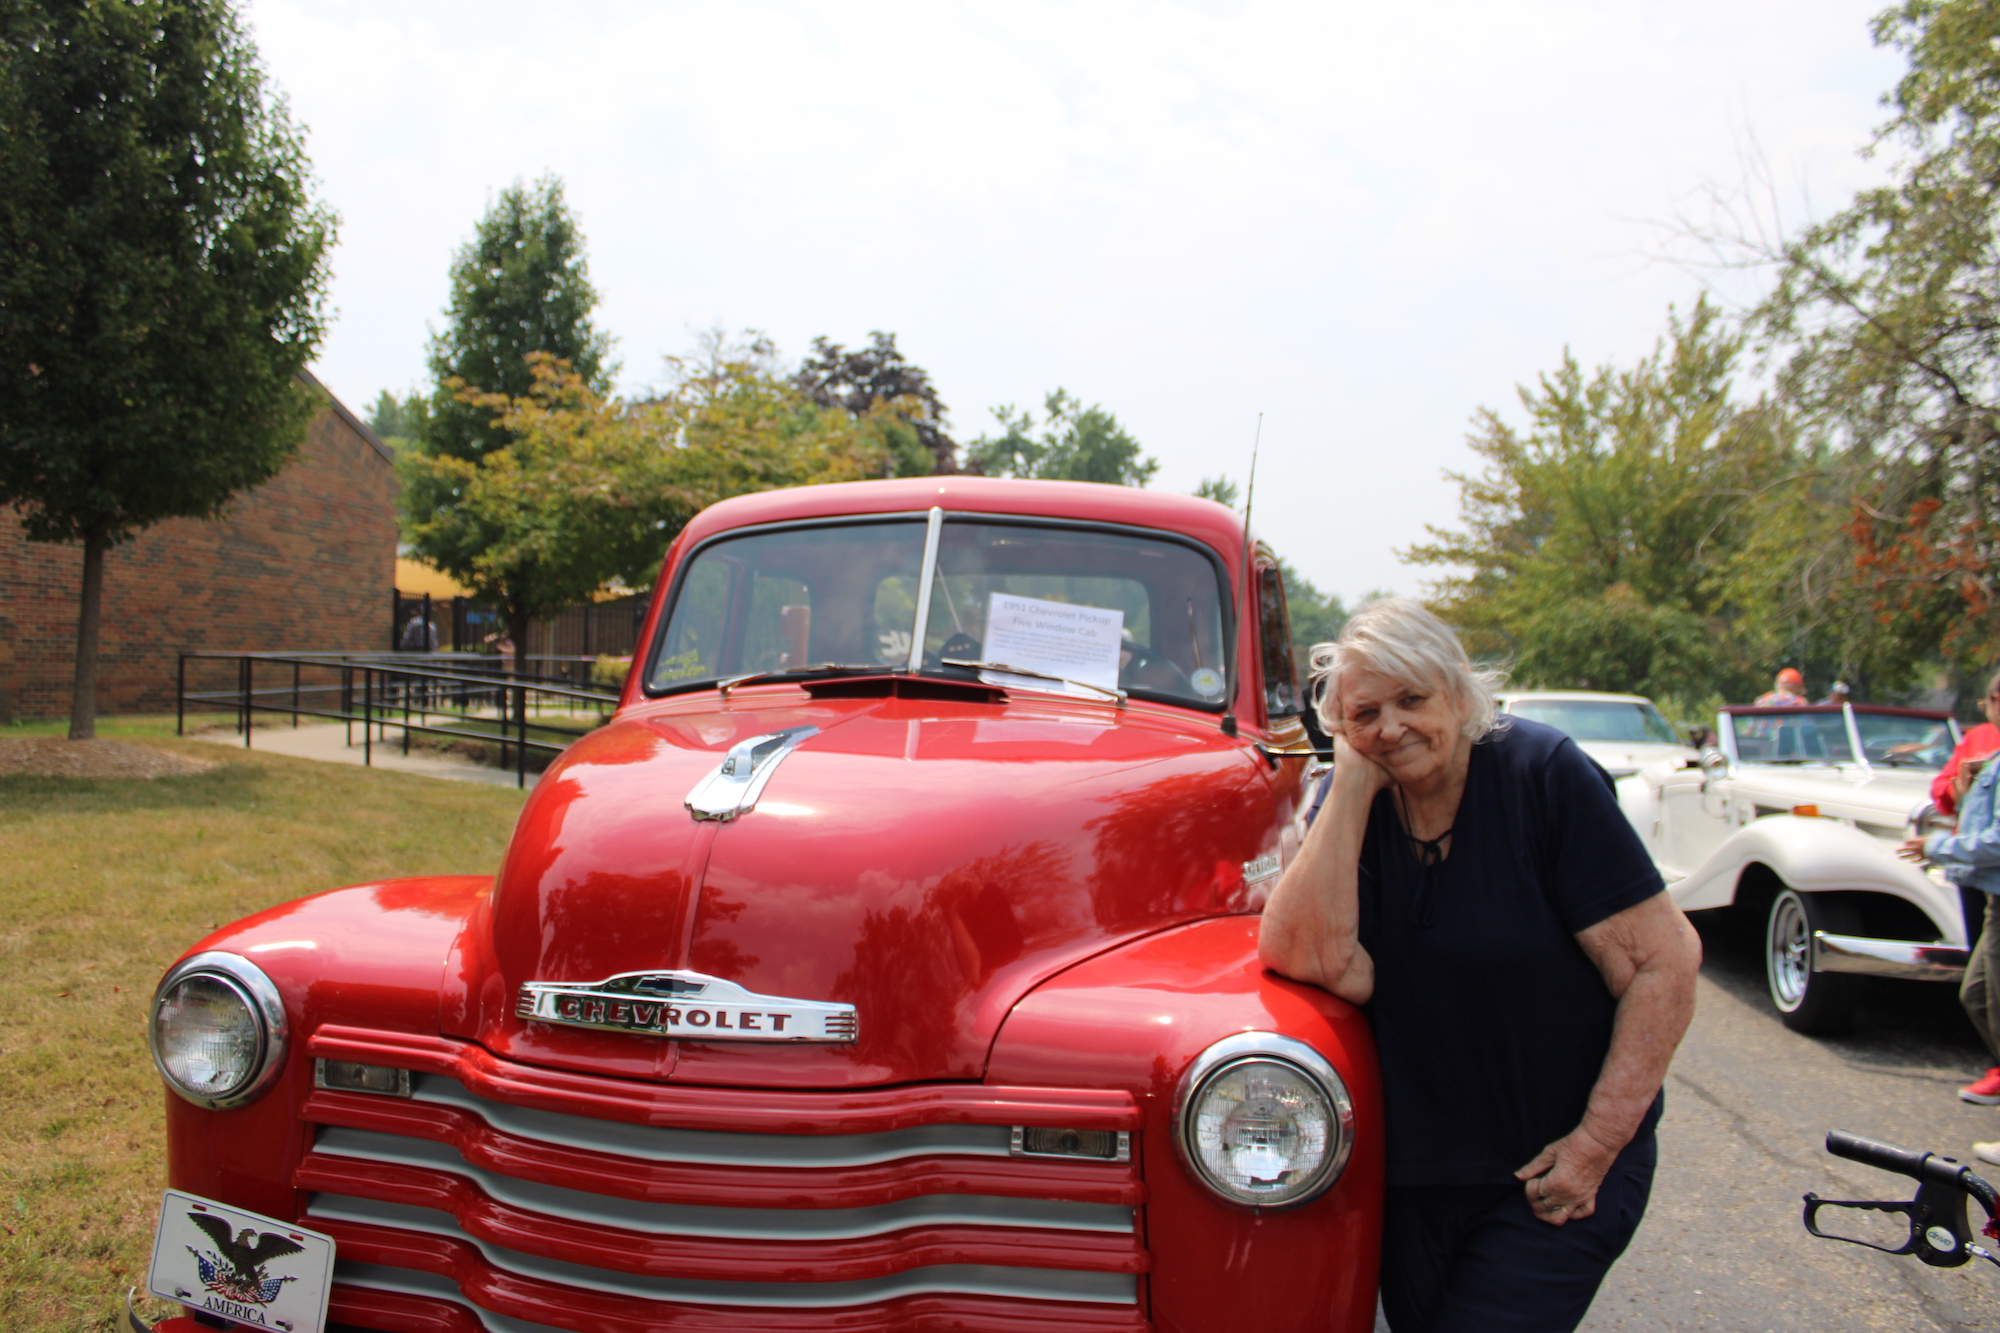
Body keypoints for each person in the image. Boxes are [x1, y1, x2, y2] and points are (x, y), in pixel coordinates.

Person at [1259, 599, 1701, 1333]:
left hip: (1553, 1171)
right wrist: (1353, 788)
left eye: (1412, 699)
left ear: (1460, 693)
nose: (1390, 727)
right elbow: (1309, 955)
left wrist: (1596, 1143)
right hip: (1413, 1179)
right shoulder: (1356, 795)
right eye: (1365, 712)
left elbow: (1665, 962)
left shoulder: (1543, 775)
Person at [1910, 669, 2000, 1106]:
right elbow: (1945, 791)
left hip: (1988, 878)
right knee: (1979, 993)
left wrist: (1937, 846)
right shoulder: (1983, 745)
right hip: (1986, 888)